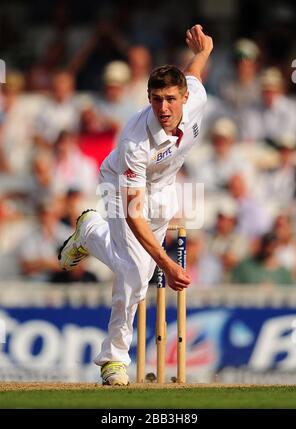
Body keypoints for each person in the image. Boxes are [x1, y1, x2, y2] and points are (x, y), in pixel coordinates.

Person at [58, 24, 213, 386]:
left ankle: (90, 232)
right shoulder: (134, 141)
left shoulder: (197, 96)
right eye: (156, 99)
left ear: (185, 98)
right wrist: (168, 264)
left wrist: (204, 50)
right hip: (121, 186)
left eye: (171, 99)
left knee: (139, 273)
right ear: (147, 98)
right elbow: (132, 214)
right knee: (132, 274)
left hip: (163, 185)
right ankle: (113, 360)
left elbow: (193, 72)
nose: (163, 107)